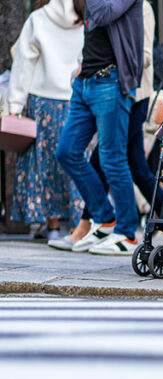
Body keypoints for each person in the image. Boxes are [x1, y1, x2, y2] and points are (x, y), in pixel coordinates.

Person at [70, 0, 162, 254]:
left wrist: (125, 80)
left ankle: (123, 228)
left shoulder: (139, 7)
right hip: (91, 82)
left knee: (118, 160)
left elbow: (144, 55)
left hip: (127, 90)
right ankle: (106, 220)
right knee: (81, 154)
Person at [8, 0, 85, 245]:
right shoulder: (87, 17)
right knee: (77, 161)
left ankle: (51, 224)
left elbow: (23, 64)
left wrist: (15, 105)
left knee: (45, 164)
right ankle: (77, 223)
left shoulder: (38, 18)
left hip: (42, 100)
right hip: (76, 97)